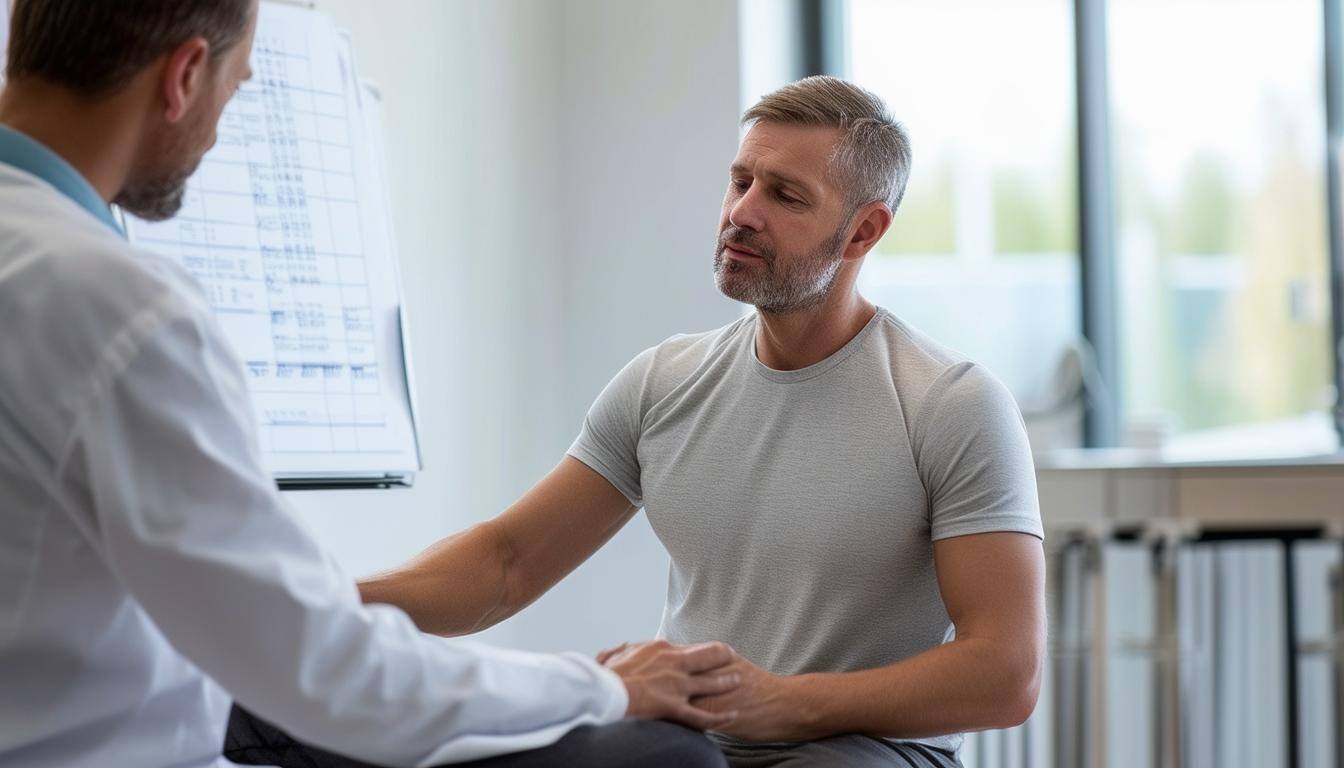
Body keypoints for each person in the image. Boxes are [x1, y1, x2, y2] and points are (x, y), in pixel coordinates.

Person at [0, 2, 738, 766]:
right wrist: (602, 686)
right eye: (237, 86)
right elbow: (329, 668)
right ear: (186, 74)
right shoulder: (117, 306)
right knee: (660, 754)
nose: (220, 127)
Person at [351, 76, 1048, 768]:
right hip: (691, 743)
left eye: (784, 194)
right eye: (740, 180)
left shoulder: (951, 404)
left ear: (863, 231)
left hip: (867, 751)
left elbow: (1006, 672)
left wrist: (786, 702)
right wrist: (317, 604)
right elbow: (505, 564)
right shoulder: (663, 383)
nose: (742, 212)